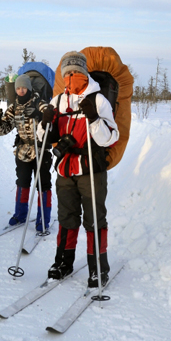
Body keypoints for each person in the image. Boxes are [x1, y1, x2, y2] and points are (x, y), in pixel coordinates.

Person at [38, 51, 119, 286]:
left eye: (76, 72)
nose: (71, 76)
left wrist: (93, 118)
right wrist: (45, 122)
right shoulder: (58, 101)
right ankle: (63, 262)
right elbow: (41, 139)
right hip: (65, 169)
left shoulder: (98, 99)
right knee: (66, 218)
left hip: (91, 169)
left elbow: (109, 139)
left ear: (84, 73)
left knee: (94, 219)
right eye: (67, 73)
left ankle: (98, 269)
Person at [0, 74, 52, 232]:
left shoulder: (40, 102)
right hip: (23, 151)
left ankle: (43, 219)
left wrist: (39, 115)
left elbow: (51, 118)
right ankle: (20, 214)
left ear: (29, 88)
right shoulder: (14, 107)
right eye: (18, 88)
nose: (21, 90)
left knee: (43, 184)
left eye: (24, 87)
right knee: (22, 182)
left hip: (41, 150)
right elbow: (2, 130)